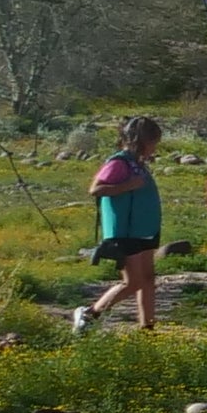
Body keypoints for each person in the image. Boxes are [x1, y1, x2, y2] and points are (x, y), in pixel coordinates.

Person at [65, 117, 166, 335]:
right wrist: (127, 185)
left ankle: (147, 328)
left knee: (148, 278)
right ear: (141, 141)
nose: (154, 147)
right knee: (133, 282)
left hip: (145, 228)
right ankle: (91, 313)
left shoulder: (138, 164)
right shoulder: (119, 163)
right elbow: (96, 189)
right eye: (152, 142)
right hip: (126, 231)